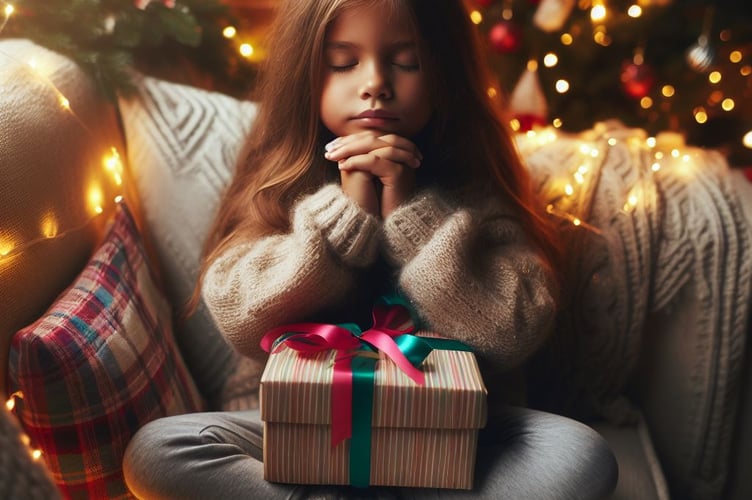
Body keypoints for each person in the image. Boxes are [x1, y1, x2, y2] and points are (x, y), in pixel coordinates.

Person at [124, 0, 618, 498]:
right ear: (305, 74)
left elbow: (514, 327)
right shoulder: (278, 185)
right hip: (300, 431)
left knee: (581, 456)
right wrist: (343, 219)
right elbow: (239, 315)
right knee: (157, 451)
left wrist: (415, 219)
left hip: (448, 436)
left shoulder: (475, 189)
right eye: (343, 62)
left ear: (445, 74)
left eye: (407, 62)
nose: (376, 83)